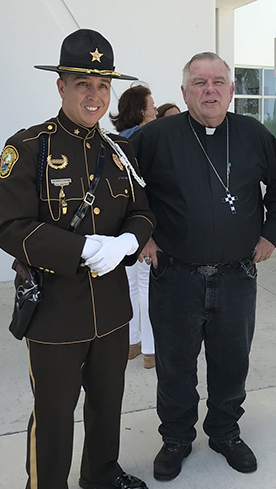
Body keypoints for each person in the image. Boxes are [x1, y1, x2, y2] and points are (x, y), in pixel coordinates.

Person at [0, 29, 155, 489]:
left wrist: (130, 240)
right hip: (56, 312)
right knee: (55, 416)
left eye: (103, 84)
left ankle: (102, 469)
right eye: (83, 83)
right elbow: (11, 228)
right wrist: (81, 246)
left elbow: (143, 209)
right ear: (61, 86)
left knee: (108, 400)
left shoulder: (120, 149)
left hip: (111, 307)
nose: (95, 95)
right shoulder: (28, 147)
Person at [130, 52, 276, 481]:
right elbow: (124, 188)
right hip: (175, 275)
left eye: (218, 82)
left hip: (236, 276)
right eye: (199, 83)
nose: (209, 90)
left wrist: (271, 234)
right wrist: (141, 235)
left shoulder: (252, 134)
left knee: (231, 362)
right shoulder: (156, 137)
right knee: (175, 364)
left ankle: (224, 431)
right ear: (184, 91)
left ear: (231, 90)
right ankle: (177, 438)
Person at [110, 84, 157, 367]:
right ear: (141, 110)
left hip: (119, 223)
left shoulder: (115, 140)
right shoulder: (148, 139)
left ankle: (132, 343)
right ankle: (151, 350)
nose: (154, 109)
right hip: (144, 222)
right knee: (147, 286)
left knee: (130, 285)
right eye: (151, 105)